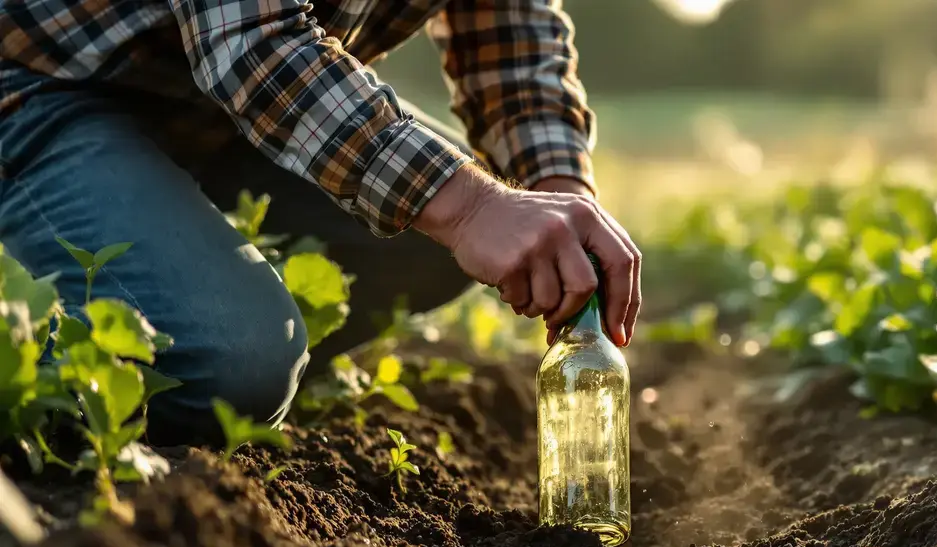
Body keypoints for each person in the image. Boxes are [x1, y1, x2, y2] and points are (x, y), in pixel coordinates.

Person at [0, 0, 642, 446]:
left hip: (203, 103)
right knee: (232, 365)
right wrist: (472, 208)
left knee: (423, 243)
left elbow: (511, 36)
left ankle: (255, 374)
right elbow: (253, 42)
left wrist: (559, 195)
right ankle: (34, 400)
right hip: (44, 82)